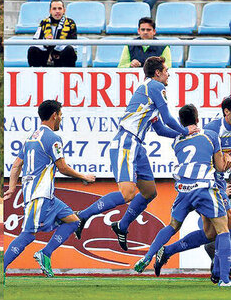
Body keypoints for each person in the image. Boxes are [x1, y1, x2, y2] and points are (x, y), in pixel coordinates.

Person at [75, 56, 199, 251]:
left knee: (149, 192)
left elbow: (160, 130)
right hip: (126, 141)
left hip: (136, 145)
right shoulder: (156, 88)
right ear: (157, 73)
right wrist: (185, 131)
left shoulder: (149, 93)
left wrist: (181, 136)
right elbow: (168, 118)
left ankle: (122, 225)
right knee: (128, 194)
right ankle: (82, 215)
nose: (169, 74)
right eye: (166, 70)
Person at [134, 104, 231, 287]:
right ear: (197, 119)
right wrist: (228, 160)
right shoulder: (211, 134)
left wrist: (154, 119)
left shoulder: (177, 139)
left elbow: (163, 130)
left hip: (183, 188)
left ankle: (151, 255)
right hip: (205, 186)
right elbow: (219, 167)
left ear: (180, 122)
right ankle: (223, 278)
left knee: (178, 226)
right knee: (223, 229)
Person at [3, 100, 95, 277]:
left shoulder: (32, 137)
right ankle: (2, 268)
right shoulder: (53, 138)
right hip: (39, 194)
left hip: (46, 196)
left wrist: (13, 187)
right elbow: (62, 167)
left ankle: (45, 253)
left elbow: (16, 166)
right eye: (61, 115)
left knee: (74, 221)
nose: (61, 118)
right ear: (54, 115)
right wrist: (84, 177)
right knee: (28, 234)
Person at [27, 0, 77, 67]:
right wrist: (46, 43)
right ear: (50, 11)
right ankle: (35, 73)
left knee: (69, 50)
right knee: (32, 50)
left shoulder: (71, 23)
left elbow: (73, 45)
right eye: (54, 9)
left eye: (60, 8)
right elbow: (35, 42)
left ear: (64, 10)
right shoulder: (43, 23)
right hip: (46, 55)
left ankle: (66, 74)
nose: (57, 11)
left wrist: (55, 49)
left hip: (62, 56)